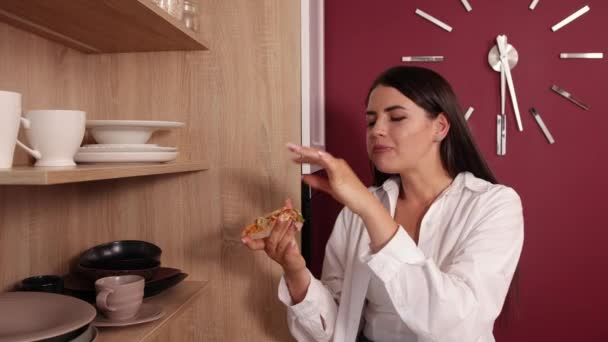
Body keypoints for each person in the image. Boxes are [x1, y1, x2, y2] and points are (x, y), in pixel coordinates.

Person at [242, 66, 524, 342]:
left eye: (397, 118)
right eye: (371, 121)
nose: (377, 130)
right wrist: (294, 270)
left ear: (440, 126)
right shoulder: (358, 211)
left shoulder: (494, 205)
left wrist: (367, 207)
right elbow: (337, 330)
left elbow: (457, 325)